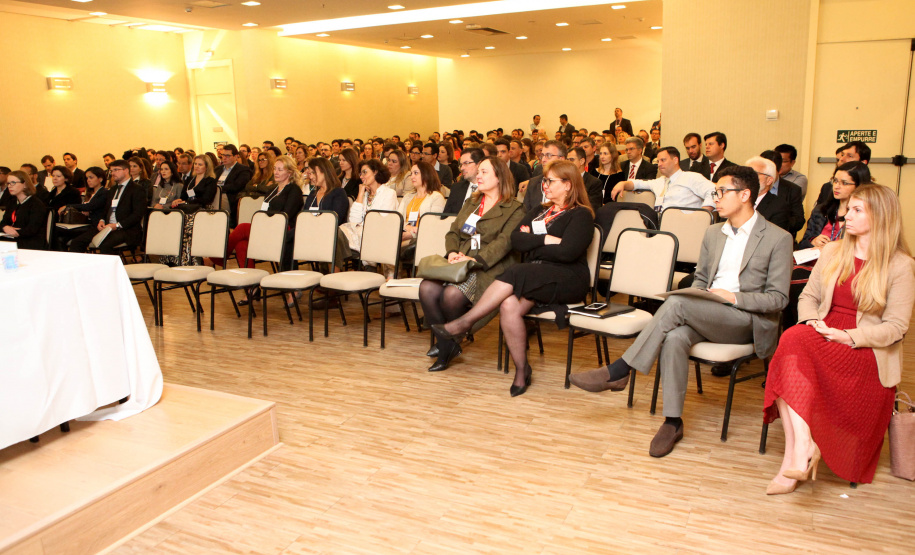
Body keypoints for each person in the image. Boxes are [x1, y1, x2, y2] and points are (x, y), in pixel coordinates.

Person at [569, 166, 793, 457]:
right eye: (716, 192)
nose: (717, 198)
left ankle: (620, 370)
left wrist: (733, 297)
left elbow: (778, 299)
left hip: (746, 319)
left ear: (746, 194)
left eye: (723, 192)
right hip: (708, 312)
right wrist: (700, 294)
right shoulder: (713, 233)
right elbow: (701, 279)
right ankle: (672, 421)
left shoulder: (777, 237)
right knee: (674, 337)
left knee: (674, 304)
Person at [763, 184, 915, 493]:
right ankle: (803, 448)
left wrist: (847, 336)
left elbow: (896, 328)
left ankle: (794, 462)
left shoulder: (901, 265)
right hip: (823, 331)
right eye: (848, 208)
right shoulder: (833, 250)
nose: (845, 214)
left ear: (881, 216)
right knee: (793, 340)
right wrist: (814, 322)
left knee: (791, 347)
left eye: (857, 210)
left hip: (865, 348)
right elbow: (807, 297)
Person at [431, 159, 594, 395]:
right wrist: (547, 240)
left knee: (516, 271)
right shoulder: (540, 210)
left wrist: (534, 243)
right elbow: (517, 241)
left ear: (568, 185)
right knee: (508, 304)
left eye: (550, 181)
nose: (544, 185)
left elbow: (568, 252)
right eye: (544, 180)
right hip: (534, 274)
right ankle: (522, 369)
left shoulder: (581, 215)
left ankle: (465, 322)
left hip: (567, 277)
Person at [420, 157, 525, 373]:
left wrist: (474, 260)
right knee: (426, 288)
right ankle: (448, 344)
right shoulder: (472, 202)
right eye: (479, 172)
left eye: (484, 172)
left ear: (499, 177)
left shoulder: (515, 208)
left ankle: (447, 344)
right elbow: (453, 232)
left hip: (489, 268)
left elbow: (504, 243)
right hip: (458, 262)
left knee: (451, 294)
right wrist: (452, 252)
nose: (478, 176)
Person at [221, 156, 304, 305]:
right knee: (241, 246)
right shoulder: (272, 190)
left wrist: (266, 222)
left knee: (241, 228)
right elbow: (263, 210)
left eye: (280, 169)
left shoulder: (294, 190)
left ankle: (221, 257)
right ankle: (252, 288)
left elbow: (287, 214)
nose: (276, 172)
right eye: (275, 169)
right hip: (266, 228)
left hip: (283, 229)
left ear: (290, 173)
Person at [68, 160, 146, 255]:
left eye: (116, 170)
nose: (112, 173)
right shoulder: (112, 190)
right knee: (77, 242)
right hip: (107, 227)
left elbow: (137, 215)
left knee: (105, 244)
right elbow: (106, 209)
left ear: (126, 171)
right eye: (111, 171)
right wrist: (102, 220)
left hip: (126, 229)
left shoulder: (137, 189)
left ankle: (108, 269)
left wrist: (117, 225)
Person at [611, 147, 715, 212]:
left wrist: (703, 214)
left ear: (675, 160)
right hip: (660, 224)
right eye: (658, 161)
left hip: (684, 225)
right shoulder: (659, 181)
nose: (659, 164)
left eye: (663, 160)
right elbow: (638, 184)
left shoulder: (691, 177)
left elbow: (713, 191)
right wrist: (622, 183)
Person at [336, 159, 397, 268]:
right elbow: (354, 220)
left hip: (378, 235)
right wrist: (360, 194)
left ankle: (335, 271)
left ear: (375, 172)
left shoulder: (388, 193)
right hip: (360, 233)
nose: (361, 176)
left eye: (365, 172)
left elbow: (381, 221)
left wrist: (361, 226)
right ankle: (339, 270)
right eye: (360, 173)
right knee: (335, 235)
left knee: (336, 239)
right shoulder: (364, 196)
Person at [798, 162, 870, 250]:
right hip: (816, 261)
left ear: (859, 185)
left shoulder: (865, 215)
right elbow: (802, 244)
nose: (836, 186)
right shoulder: (821, 210)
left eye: (844, 183)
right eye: (835, 181)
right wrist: (813, 241)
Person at [396, 161, 446, 259]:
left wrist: (411, 234)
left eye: (416, 173)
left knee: (392, 247)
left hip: (423, 238)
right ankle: (392, 274)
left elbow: (432, 225)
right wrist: (408, 229)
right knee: (388, 242)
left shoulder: (436, 197)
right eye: (411, 174)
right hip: (404, 234)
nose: (412, 177)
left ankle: (393, 274)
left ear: (426, 174)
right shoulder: (408, 197)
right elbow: (398, 218)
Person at [57, 166, 108, 250]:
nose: (88, 180)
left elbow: (90, 206)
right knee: (61, 237)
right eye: (87, 178)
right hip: (86, 223)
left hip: (96, 225)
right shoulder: (91, 194)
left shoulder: (104, 193)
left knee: (76, 242)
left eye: (91, 177)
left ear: (100, 179)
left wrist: (68, 206)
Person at [0, 170, 48, 250]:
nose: (9, 186)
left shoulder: (36, 204)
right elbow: (3, 222)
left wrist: (14, 232)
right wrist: (5, 228)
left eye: (13, 182)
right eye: (8, 183)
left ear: (25, 184)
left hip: (30, 242)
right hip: (12, 239)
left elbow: (32, 230)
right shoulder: (12, 202)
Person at [746, 156, 791, 231]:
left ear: (769, 180)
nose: (747, 178)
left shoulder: (778, 206)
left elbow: (773, 238)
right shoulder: (735, 200)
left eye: (754, 174)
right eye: (745, 174)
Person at [215, 144, 254, 226]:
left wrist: (219, 188)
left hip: (231, 197)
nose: (224, 158)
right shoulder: (217, 169)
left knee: (220, 199)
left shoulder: (243, 170)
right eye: (223, 155)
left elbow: (237, 186)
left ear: (236, 156)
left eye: (228, 155)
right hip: (215, 195)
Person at [304, 157, 349, 226]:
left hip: (329, 234)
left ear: (324, 171)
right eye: (310, 174)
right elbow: (303, 219)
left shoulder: (338, 193)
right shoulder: (312, 194)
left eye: (313, 172)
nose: (311, 177)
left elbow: (335, 221)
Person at [443, 148, 485, 215]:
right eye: (461, 164)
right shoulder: (456, 188)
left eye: (466, 163)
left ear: (479, 164)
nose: (462, 168)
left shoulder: (489, 189)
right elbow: (445, 216)